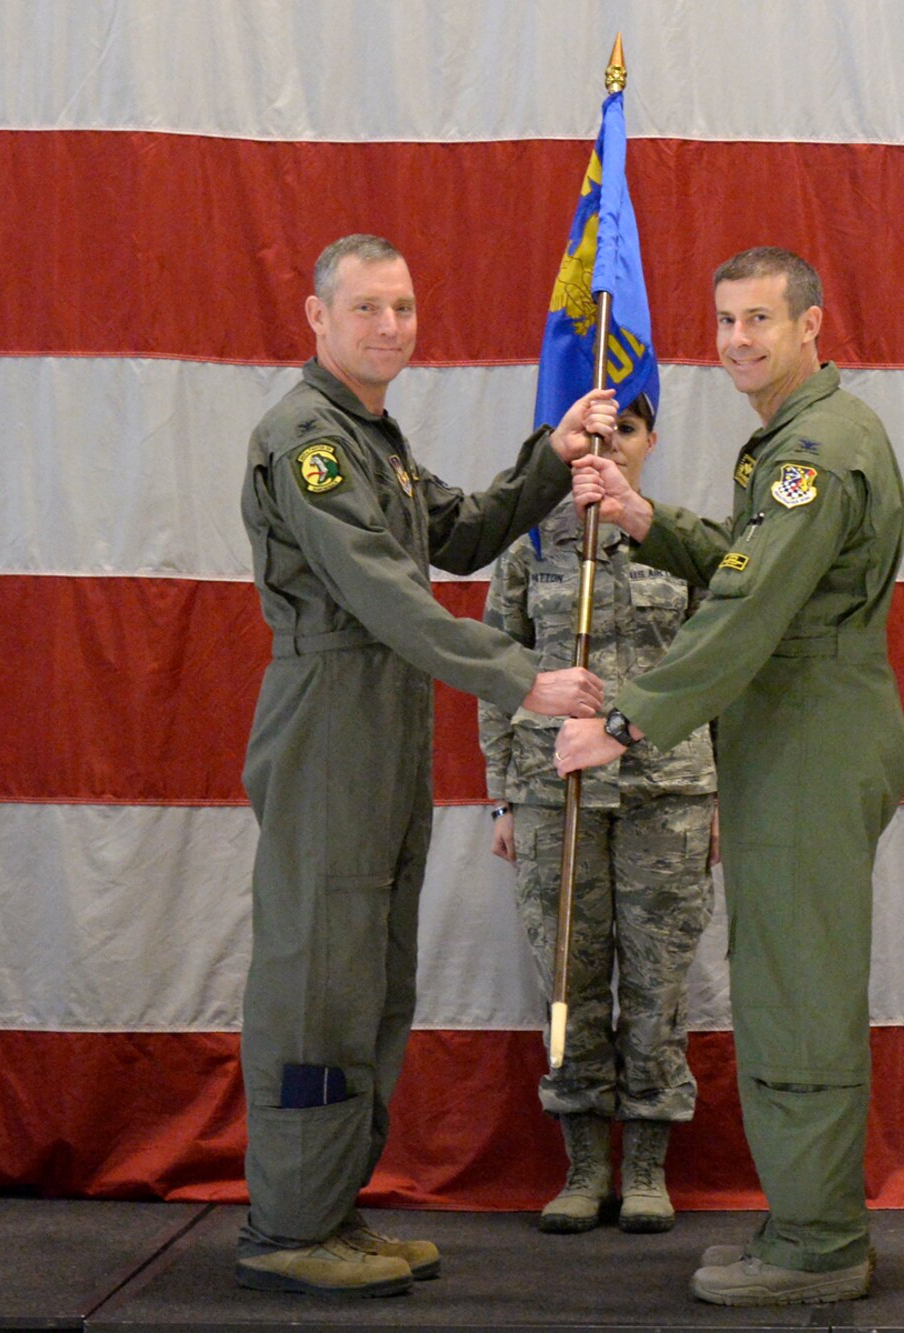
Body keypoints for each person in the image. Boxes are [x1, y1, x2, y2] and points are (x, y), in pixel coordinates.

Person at [236, 233, 612, 1298]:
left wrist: (555, 447)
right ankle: (285, 1225)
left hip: (383, 707)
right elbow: (381, 591)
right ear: (317, 318)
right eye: (366, 308)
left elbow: (460, 533)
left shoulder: (374, 439)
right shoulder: (306, 438)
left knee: (369, 967)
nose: (390, 326)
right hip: (330, 713)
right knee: (318, 966)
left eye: (402, 306)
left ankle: (327, 1206)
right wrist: (517, 676)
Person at [555, 247, 904, 1307]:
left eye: (760, 319)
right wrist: (642, 518)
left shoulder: (816, 453)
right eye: (724, 321)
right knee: (780, 973)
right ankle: (806, 1214)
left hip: (811, 732)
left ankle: (816, 1242)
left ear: (811, 324)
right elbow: (749, 568)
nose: (738, 341)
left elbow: (747, 613)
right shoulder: (799, 439)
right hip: (794, 729)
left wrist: (628, 718)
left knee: (794, 985)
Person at [478, 393, 718, 1236]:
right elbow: (499, 665)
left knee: (657, 984)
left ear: (651, 441)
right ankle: (584, 1165)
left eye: (628, 428)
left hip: (669, 794)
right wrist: (503, 794)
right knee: (568, 982)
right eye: (596, 428)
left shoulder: (685, 542)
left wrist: (721, 796)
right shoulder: (532, 542)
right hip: (554, 792)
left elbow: (719, 672)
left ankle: (646, 1166)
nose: (609, 440)